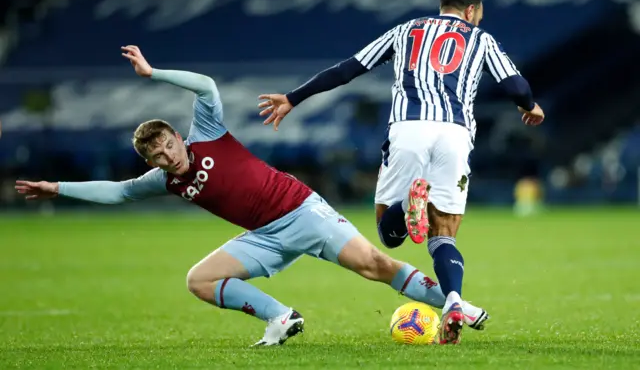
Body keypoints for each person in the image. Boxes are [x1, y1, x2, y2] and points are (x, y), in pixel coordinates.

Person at [15, 45, 487, 346]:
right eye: (157, 156)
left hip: (300, 210)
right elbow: (116, 194)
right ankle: (281, 317)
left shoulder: (206, 132)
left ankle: (453, 302)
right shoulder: (167, 180)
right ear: (152, 163)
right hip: (262, 236)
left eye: (167, 144)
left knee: (376, 267)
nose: (167, 156)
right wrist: (56, 187)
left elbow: (207, 86)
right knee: (199, 280)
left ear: (178, 136)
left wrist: (153, 72)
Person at [258, 0, 544, 344]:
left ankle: (410, 203)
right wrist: (528, 106)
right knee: (444, 233)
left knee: (387, 235)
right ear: (471, 11)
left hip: (409, 128)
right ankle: (453, 300)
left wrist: (294, 98)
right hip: (455, 134)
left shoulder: (406, 30)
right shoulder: (481, 39)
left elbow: (348, 69)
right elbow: (517, 86)